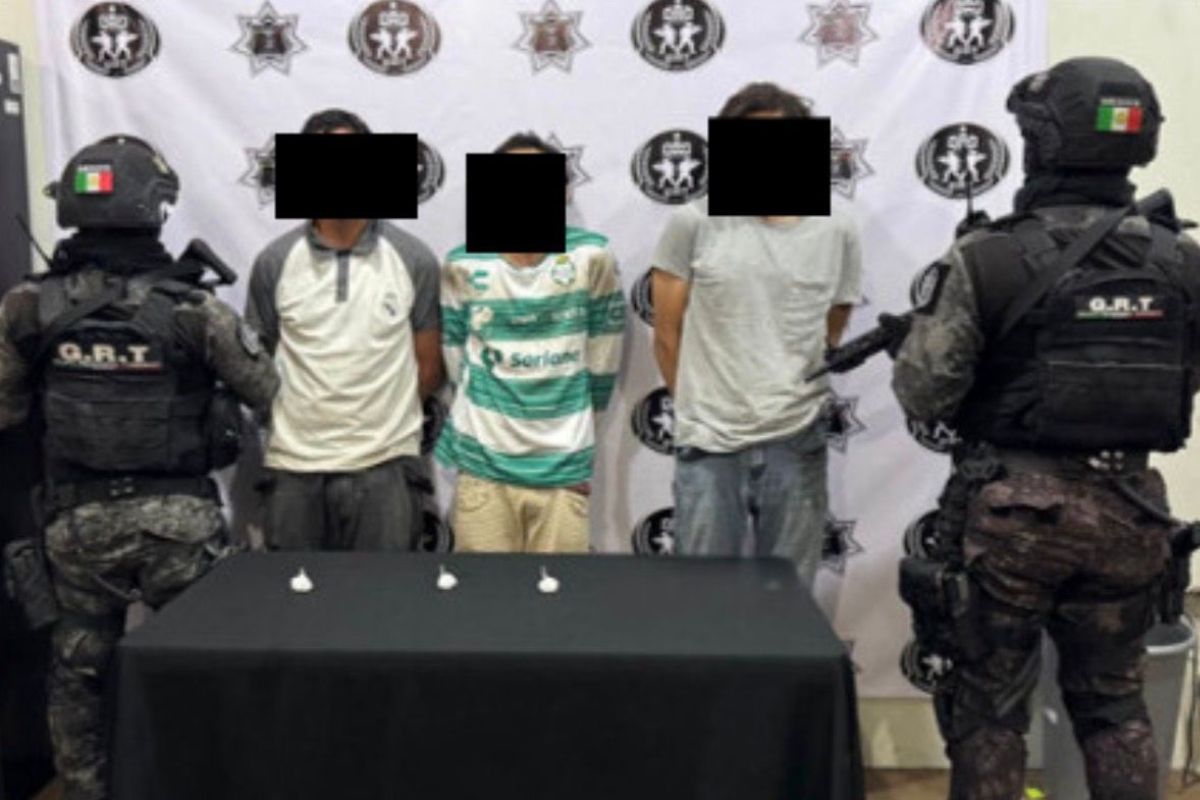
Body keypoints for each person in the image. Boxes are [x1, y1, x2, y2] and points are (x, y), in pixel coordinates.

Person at [892, 57, 1200, 800]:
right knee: (1115, 704)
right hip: (1134, 510)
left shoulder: (990, 257)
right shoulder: (1183, 262)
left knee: (990, 709)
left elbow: (926, 394)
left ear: (1040, 141)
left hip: (1016, 518)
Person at [0, 135, 279, 800]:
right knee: (197, 670)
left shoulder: (28, 306)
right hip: (178, 524)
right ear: (155, 208)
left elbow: (6, 409)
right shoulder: (193, 309)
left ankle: (83, 790)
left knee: (78, 674)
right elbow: (266, 390)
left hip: (76, 525)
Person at [650, 82, 862, 586]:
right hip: (709, 444)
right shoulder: (693, 221)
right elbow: (666, 333)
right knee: (702, 598)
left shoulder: (837, 228)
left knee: (789, 600)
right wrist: (700, 407)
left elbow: (835, 316)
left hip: (798, 436)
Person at [246, 109, 442, 552]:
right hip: (294, 467)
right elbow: (258, 365)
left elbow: (429, 367)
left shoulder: (413, 258)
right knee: (291, 595)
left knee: (382, 593)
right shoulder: (275, 262)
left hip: (385, 467)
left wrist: (378, 426)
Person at [435, 132, 625, 552]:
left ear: (564, 192)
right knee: (484, 592)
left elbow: (603, 361)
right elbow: (457, 361)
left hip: (563, 468)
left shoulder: (592, 257)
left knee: (556, 593)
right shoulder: (462, 263)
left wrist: (572, 436)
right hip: (482, 468)